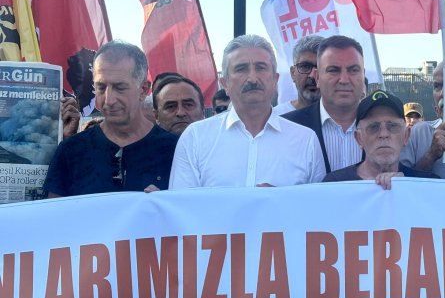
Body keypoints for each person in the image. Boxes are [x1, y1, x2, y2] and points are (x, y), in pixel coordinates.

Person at [170, 35, 325, 188]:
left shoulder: (305, 140)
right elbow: (182, 203)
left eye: (261, 68)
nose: (252, 79)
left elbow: (317, 203)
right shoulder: (195, 138)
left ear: (275, 80)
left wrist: (280, 200)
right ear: (225, 84)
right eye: (241, 69)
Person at [43, 40, 179, 197]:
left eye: (119, 88)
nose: (109, 100)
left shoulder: (176, 150)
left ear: (143, 90)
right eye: (101, 87)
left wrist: (166, 204)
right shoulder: (71, 151)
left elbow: (191, 208)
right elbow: (53, 210)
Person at [283, 35, 366, 173]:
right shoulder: (286, 128)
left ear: (363, 74)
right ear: (317, 77)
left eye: (353, 70)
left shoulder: (385, 127)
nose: (344, 80)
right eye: (333, 70)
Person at [323, 91, 439, 188]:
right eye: (373, 127)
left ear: (406, 136)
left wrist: (406, 187)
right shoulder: (334, 185)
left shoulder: (429, 186)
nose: (384, 134)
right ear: (359, 138)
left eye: (392, 126)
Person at [273, 35, 324, 115]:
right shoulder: (275, 117)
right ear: (293, 73)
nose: (312, 75)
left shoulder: (343, 117)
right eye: (305, 66)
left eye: (320, 67)